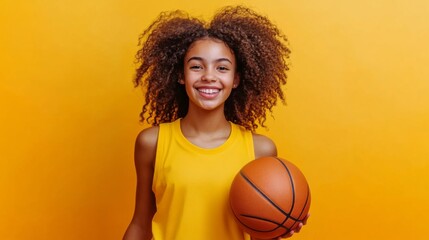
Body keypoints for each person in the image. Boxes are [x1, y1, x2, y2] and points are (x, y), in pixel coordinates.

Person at [123, 5, 308, 240]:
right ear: (181, 75)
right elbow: (140, 224)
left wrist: (277, 227)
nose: (209, 76)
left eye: (222, 68)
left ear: (236, 79)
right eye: (196, 66)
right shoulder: (152, 142)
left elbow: (258, 234)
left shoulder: (260, 149)